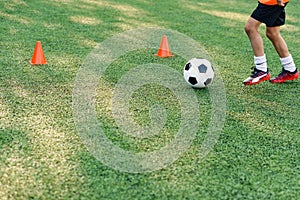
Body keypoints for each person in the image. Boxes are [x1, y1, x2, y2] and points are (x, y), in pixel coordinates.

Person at [243, 0, 298, 85]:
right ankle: (290, 69)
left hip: (271, 1)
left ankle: (261, 69)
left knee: (250, 28)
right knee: (272, 33)